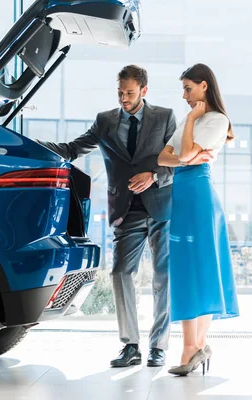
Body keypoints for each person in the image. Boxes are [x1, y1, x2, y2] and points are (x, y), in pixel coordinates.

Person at [38, 65, 210, 368]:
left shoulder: (164, 116)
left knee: (163, 277)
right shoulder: (105, 121)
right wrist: (35, 145)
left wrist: (153, 175)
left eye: (129, 93)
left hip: (161, 205)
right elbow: (73, 148)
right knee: (120, 273)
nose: (123, 98)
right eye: (120, 92)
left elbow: (179, 158)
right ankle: (130, 345)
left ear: (144, 90)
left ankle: (159, 346)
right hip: (125, 210)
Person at [157, 63, 240, 376]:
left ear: (204, 86)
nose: (184, 96)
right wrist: (186, 149)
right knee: (186, 269)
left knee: (200, 268)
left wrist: (191, 126)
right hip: (182, 195)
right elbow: (164, 157)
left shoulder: (217, 120)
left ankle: (193, 347)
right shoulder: (190, 121)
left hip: (200, 199)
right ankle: (195, 347)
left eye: (188, 88)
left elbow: (184, 155)